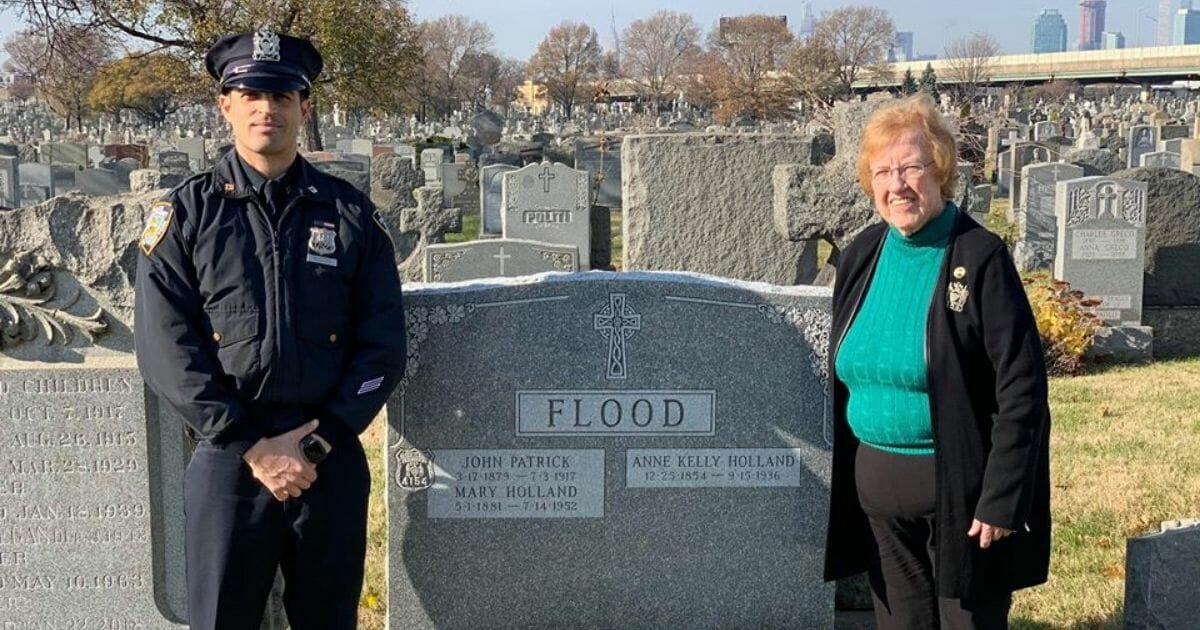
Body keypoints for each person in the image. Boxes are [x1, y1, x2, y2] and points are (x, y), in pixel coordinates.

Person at [134, 28, 406, 630]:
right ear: (224, 105)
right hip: (229, 461)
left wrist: (317, 441)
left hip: (326, 457)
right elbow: (165, 349)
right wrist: (251, 445)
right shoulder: (184, 216)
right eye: (250, 93)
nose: (267, 108)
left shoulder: (350, 214)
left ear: (304, 108)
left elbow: (383, 346)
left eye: (283, 96)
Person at [823, 94, 1051, 630]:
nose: (897, 185)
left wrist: (1001, 499)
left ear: (940, 171)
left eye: (911, 168)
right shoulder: (863, 254)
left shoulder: (980, 257)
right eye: (883, 171)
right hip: (877, 498)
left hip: (964, 501)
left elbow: (1022, 388)